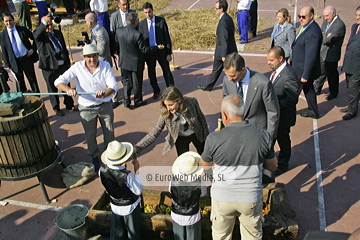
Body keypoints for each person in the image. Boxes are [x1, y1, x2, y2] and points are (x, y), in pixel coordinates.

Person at [200, 95, 278, 240]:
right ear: (244, 112)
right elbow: (272, 166)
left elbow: (204, 166)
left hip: (222, 197)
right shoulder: (263, 136)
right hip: (250, 197)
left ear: (224, 115)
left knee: (221, 236)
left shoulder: (213, 138)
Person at [54, 44, 118, 170]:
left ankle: (110, 156)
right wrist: (68, 89)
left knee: (109, 132)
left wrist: (105, 93)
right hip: (86, 107)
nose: (92, 59)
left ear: (98, 55)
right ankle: (94, 156)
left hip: (104, 105)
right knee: (90, 134)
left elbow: (113, 86)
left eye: (94, 56)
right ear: (84, 57)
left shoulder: (105, 65)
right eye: (89, 57)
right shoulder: (77, 67)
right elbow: (58, 81)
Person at [134, 86, 209, 156]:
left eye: (170, 104)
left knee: (205, 156)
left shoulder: (192, 102)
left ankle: (207, 170)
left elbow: (201, 119)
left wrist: (206, 136)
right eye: (166, 105)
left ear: (179, 100)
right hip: (180, 137)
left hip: (197, 133)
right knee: (183, 163)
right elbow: (155, 132)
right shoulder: (165, 112)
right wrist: (137, 148)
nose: (168, 108)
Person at [222, 52, 279, 139]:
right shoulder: (227, 80)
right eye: (227, 75)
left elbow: (272, 112)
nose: (229, 79)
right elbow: (225, 104)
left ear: (243, 70)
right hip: (236, 134)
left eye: (233, 75)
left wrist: (269, 138)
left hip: (257, 134)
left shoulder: (262, 83)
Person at [115, 12, 163, 108]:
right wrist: (157, 47)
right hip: (136, 63)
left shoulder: (119, 31)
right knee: (137, 83)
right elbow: (144, 49)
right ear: (135, 22)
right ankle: (137, 100)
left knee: (126, 82)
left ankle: (127, 100)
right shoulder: (137, 34)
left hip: (124, 61)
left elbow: (117, 43)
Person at [33, 15, 77, 116]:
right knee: (52, 87)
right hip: (49, 66)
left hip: (62, 64)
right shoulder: (41, 36)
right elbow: (36, 35)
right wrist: (44, 23)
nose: (50, 27)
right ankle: (56, 107)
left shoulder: (57, 33)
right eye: (47, 25)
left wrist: (67, 60)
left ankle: (69, 104)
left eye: (51, 24)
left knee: (65, 84)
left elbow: (63, 47)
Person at [99, 140, 142, 240]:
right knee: (133, 233)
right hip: (130, 207)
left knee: (117, 232)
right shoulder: (127, 176)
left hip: (114, 205)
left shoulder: (101, 170)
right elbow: (138, 190)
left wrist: (122, 167)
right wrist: (137, 170)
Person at [267, 46, 298, 176]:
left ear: (280, 58)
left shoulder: (289, 75)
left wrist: (274, 105)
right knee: (272, 139)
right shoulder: (277, 70)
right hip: (275, 116)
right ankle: (269, 162)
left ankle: (283, 164)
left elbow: (292, 99)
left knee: (283, 140)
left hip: (283, 117)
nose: (268, 63)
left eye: (271, 60)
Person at [198, 0, 237, 91]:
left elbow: (224, 39)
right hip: (227, 50)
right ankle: (208, 86)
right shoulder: (228, 18)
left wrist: (223, 55)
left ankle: (234, 86)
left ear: (221, 9)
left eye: (216, 8)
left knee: (229, 70)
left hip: (223, 52)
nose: (215, 10)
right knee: (218, 69)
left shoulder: (223, 21)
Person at [291, 6, 322, 119]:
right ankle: (314, 111)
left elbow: (311, 56)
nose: (301, 19)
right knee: (309, 90)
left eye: (303, 17)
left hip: (302, 71)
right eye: (299, 16)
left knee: (293, 94)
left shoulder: (313, 32)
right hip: (300, 68)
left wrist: (305, 74)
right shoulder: (307, 27)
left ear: (311, 16)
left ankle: (287, 113)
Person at [138, 2, 174, 100]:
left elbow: (167, 37)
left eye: (149, 12)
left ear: (153, 10)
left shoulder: (161, 21)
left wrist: (169, 53)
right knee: (151, 72)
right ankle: (156, 90)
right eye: (145, 13)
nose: (148, 14)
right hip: (150, 52)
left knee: (166, 70)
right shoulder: (141, 24)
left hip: (161, 51)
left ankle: (171, 90)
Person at [170, 151, 207, 240]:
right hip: (192, 216)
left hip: (177, 215)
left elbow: (170, 191)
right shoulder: (199, 182)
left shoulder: (173, 180)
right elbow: (203, 193)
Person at [0, 12, 39, 93]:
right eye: (6, 21)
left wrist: (32, 49)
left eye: (10, 20)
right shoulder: (2, 35)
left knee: (32, 79)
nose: (8, 23)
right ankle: (23, 98)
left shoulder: (22, 29)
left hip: (26, 58)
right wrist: (6, 64)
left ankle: (37, 96)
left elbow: (35, 39)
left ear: (13, 20)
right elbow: (4, 49)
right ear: (3, 22)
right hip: (14, 61)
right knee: (20, 82)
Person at [313, 6, 346, 100]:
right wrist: (324, 34)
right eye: (324, 16)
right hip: (323, 52)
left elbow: (328, 40)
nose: (325, 18)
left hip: (332, 54)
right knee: (321, 71)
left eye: (327, 16)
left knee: (331, 74)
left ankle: (333, 92)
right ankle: (317, 88)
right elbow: (321, 33)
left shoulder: (339, 25)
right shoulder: (326, 21)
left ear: (334, 14)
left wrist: (324, 35)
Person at [341, 6, 360, 121]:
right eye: (356, 15)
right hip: (349, 63)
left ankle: (352, 111)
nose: (357, 18)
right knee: (349, 87)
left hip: (357, 66)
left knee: (353, 89)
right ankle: (351, 105)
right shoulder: (355, 27)